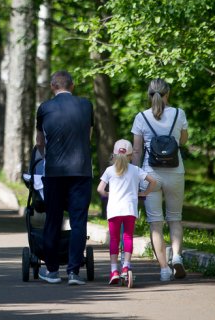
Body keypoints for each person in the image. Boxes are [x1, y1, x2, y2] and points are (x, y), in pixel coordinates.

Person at [35, 70, 94, 286]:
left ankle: (51, 271)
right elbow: (88, 137)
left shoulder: (44, 108)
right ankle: (74, 273)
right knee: (78, 221)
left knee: (53, 218)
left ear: (53, 87)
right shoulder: (86, 105)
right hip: (81, 170)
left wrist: (46, 158)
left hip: (55, 172)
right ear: (73, 85)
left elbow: (40, 143)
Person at [131, 78, 189, 281]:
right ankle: (177, 257)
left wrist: (136, 176)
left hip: (150, 174)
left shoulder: (141, 117)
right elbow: (182, 141)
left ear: (149, 95)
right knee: (175, 218)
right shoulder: (179, 113)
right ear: (168, 93)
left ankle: (164, 269)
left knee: (155, 223)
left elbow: (137, 150)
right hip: (175, 171)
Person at [97, 139, 158, 285]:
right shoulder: (136, 170)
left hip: (114, 210)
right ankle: (126, 267)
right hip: (130, 209)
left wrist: (107, 195)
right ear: (131, 155)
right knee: (128, 237)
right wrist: (144, 193)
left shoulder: (109, 170)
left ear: (114, 155)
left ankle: (114, 271)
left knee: (114, 239)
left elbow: (100, 189)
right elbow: (153, 181)